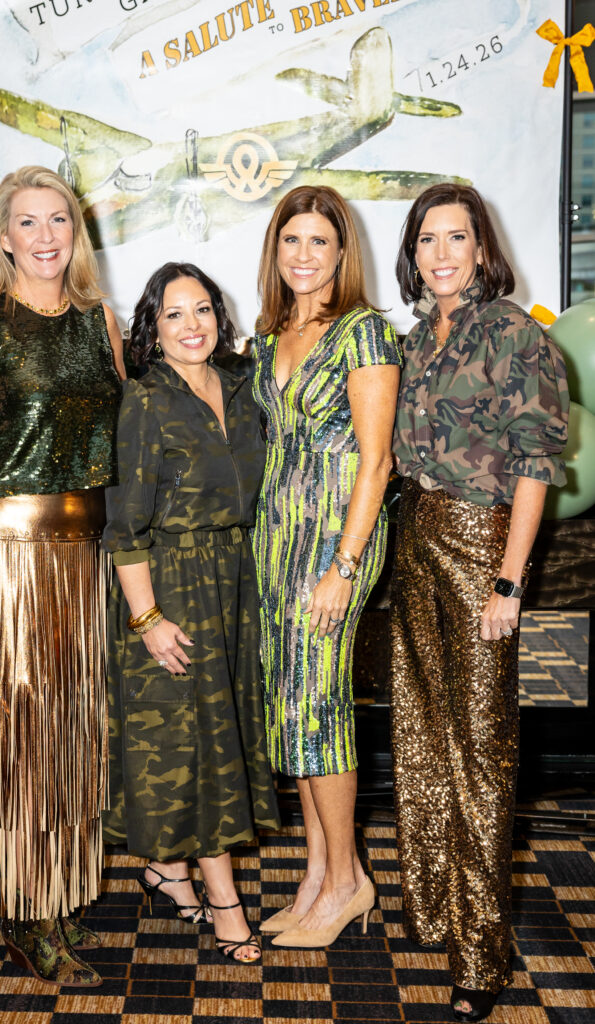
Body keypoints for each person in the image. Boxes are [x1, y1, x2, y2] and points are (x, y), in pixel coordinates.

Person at [0, 165, 125, 987]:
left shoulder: (100, 321)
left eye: (59, 222)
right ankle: (20, 908)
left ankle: (61, 887)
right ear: (4, 235)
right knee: (17, 732)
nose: (46, 237)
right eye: (29, 223)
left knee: (74, 730)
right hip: (6, 558)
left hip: (83, 558)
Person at [390, 184, 569, 1021]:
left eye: (454, 237)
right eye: (427, 239)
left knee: (481, 753)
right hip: (416, 543)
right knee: (422, 739)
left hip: (480, 549)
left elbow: (534, 464)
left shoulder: (515, 335)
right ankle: (435, 915)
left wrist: (507, 581)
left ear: (481, 246)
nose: (440, 254)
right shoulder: (414, 339)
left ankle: (482, 951)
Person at [103, 262, 280, 964]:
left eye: (202, 309)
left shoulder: (240, 387)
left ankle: (167, 871)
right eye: (174, 314)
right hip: (171, 584)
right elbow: (124, 526)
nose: (192, 325)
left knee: (220, 736)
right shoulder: (146, 401)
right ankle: (223, 899)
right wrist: (147, 620)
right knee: (194, 745)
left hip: (235, 581)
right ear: (153, 327)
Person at [252, 185, 402, 948]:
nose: (304, 255)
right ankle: (317, 876)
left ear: (342, 253)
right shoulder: (269, 331)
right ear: (274, 251)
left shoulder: (363, 334)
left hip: (334, 542)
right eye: (291, 241)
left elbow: (376, 464)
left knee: (321, 706)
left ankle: (347, 882)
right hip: (274, 542)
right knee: (294, 711)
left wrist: (345, 567)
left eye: (319, 242)